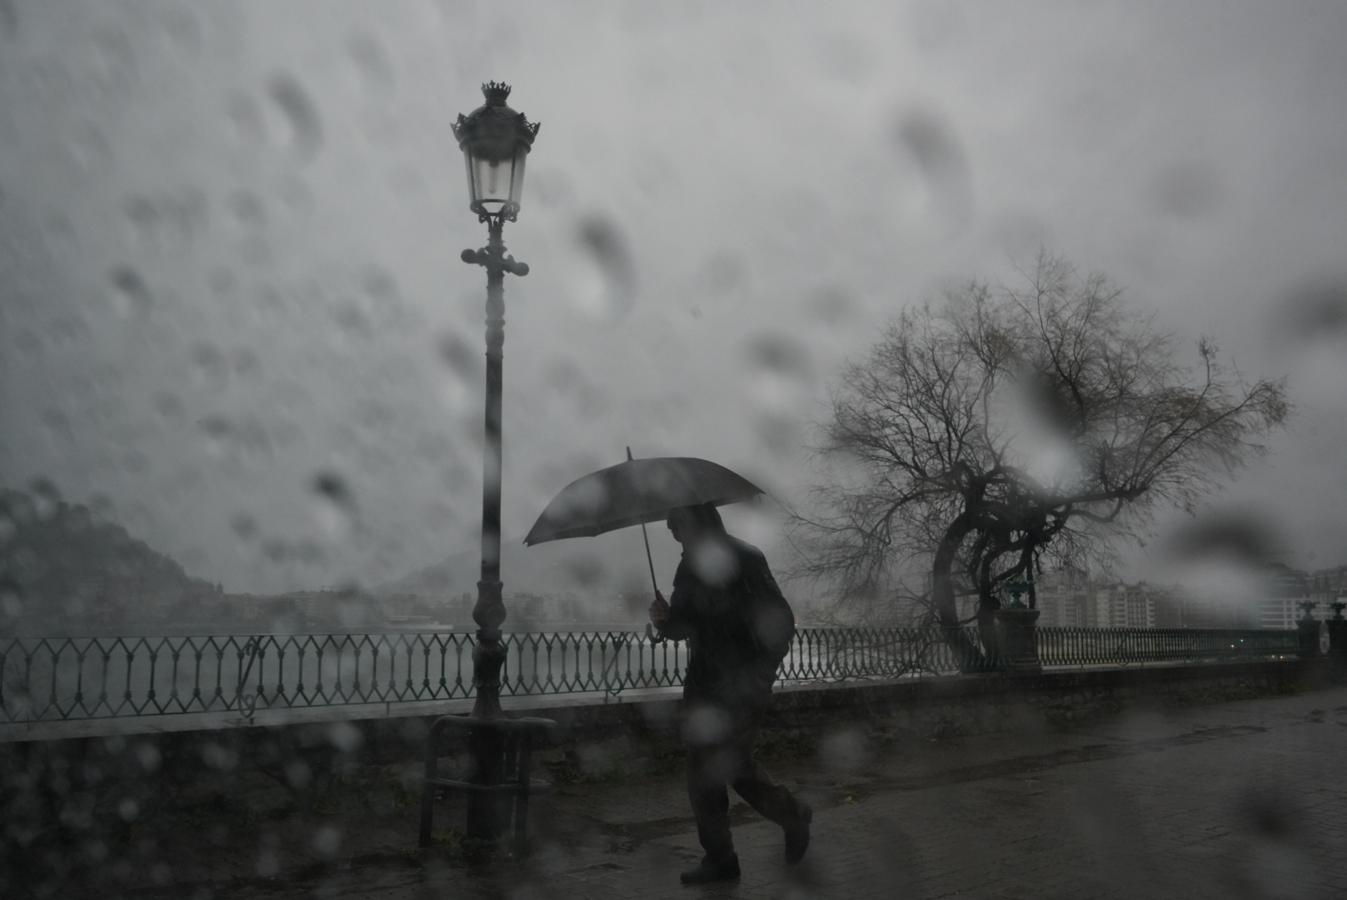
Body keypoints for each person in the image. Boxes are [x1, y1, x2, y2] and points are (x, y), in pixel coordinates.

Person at [648, 502, 812, 885]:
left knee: (733, 766)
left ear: (698, 522)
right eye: (673, 533)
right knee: (703, 772)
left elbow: (781, 621)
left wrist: (759, 675)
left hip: (741, 686)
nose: (677, 539)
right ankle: (721, 858)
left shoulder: (746, 559)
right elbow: (687, 625)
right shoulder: (688, 567)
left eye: (679, 530)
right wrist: (665, 619)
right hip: (704, 686)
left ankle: (788, 817)